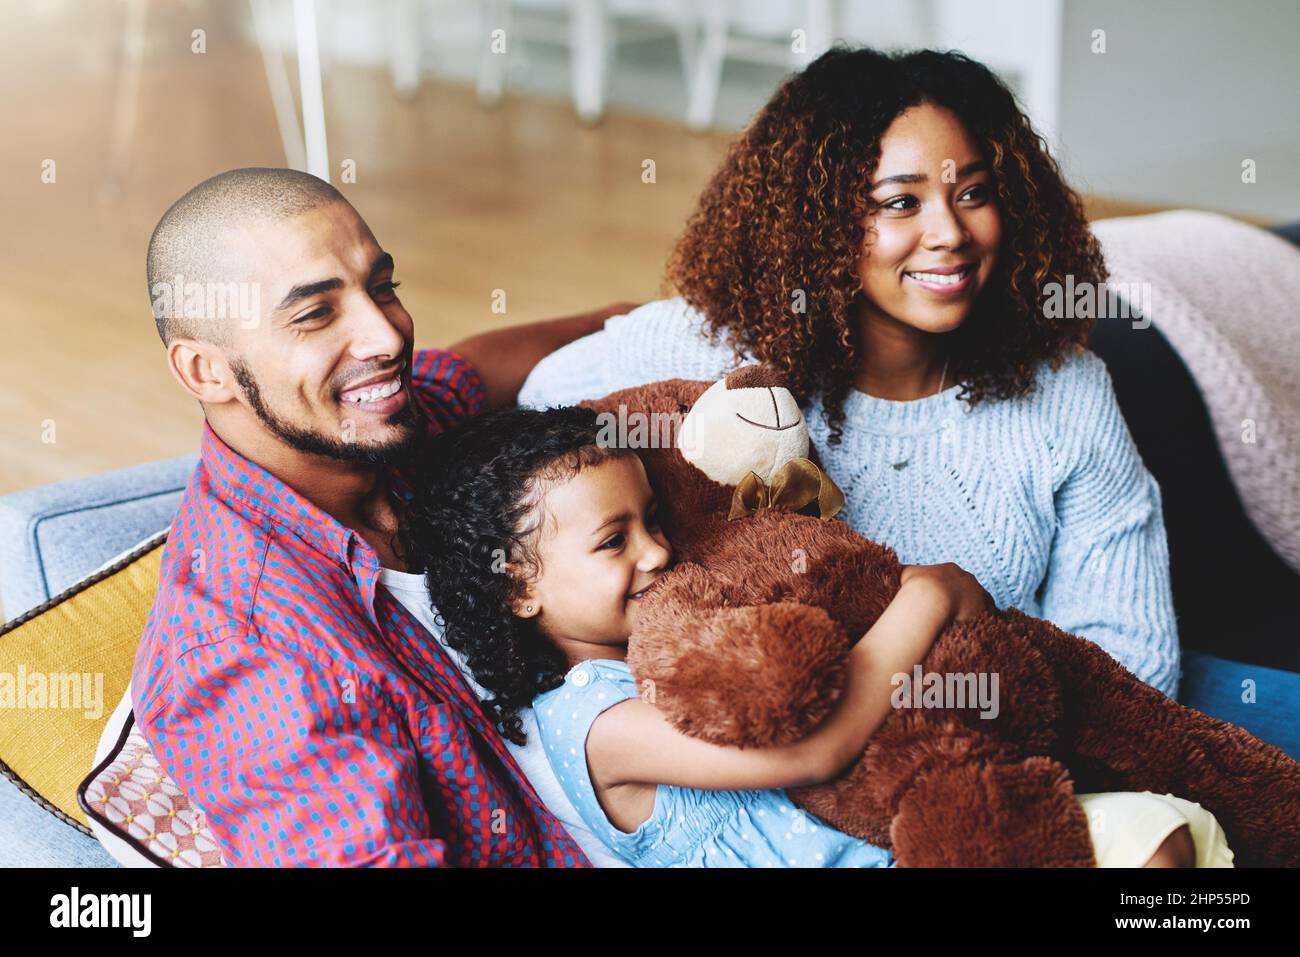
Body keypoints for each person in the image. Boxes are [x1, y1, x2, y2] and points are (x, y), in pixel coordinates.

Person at [517, 47, 1181, 699]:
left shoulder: (1068, 391)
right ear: (815, 226)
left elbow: (1135, 666)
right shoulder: (706, 350)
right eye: (900, 203)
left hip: (994, 758)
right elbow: (530, 414)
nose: (950, 231)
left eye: (974, 193)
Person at [399, 405, 1232, 868]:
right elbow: (815, 749)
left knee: (1163, 832)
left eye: (652, 520)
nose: (657, 550)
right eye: (614, 541)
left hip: (914, 837)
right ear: (518, 586)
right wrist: (926, 596)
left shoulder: (696, 638)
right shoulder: (595, 724)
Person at [133, 166, 631, 866]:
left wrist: (644, 315)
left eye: (382, 288)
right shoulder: (243, 651)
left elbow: (471, 367)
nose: (387, 337)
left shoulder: (389, 432)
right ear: (206, 372)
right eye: (314, 314)